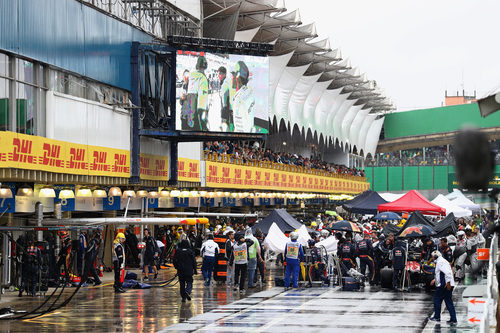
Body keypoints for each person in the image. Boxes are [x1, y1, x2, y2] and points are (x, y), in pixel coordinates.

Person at [429, 251, 457, 324]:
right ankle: (453, 318)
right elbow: (440, 273)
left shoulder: (440, 262)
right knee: (448, 302)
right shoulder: (442, 261)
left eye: (432, 256)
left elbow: (447, 273)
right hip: (446, 284)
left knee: (437, 300)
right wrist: (435, 280)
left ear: (435, 256)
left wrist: (448, 283)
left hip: (444, 285)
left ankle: (437, 316)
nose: (432, 258)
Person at [181, 55, 209, 130]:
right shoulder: (202, 78)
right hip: (197, 118)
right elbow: (202, 104)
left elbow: (183, 97)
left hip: (186, 116)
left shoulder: (191, 76)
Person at [230, 61, 255, 133]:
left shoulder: (239, 98)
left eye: (233, 75)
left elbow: (239, 126)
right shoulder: (248, 92)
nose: (232, 78)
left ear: (238, 77)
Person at [218, 66, 233, 131]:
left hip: (226, 110)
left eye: (221, 73)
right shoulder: (224, 82)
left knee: (226, 127)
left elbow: (225, 96)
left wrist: (224, 109)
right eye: (218, 73)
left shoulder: (226, 83)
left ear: (225, 74)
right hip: (226, 109)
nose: (219, 75)